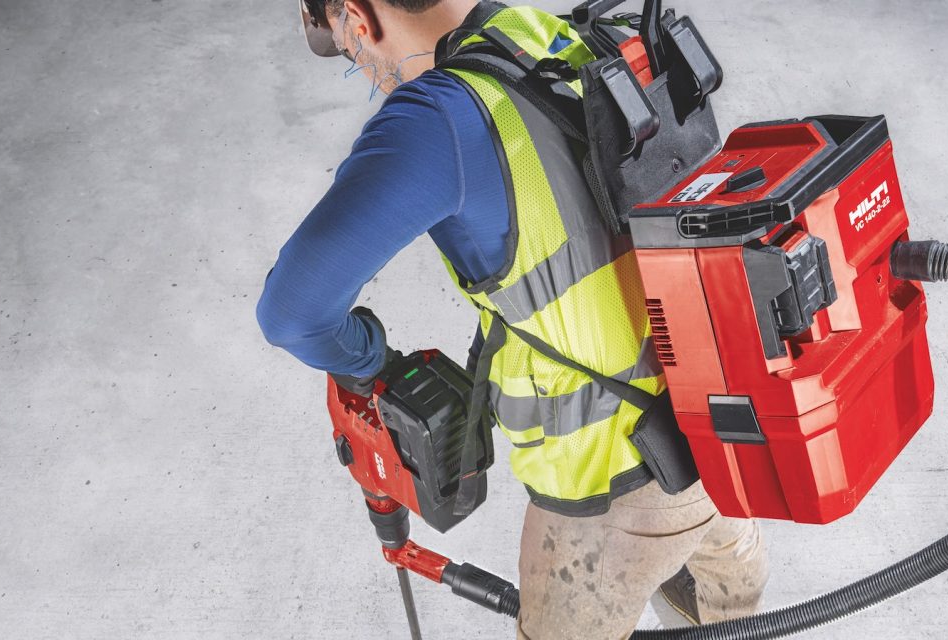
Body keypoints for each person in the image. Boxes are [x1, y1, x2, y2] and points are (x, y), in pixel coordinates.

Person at [256, 1, 768, 637]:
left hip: (608, 494)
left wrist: (371, 361)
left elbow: (293, 313)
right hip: (723, 433)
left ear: (359, 18)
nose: (365, 68)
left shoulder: (438, 118)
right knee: (730, 598)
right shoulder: (562, 35)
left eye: (349, 52)